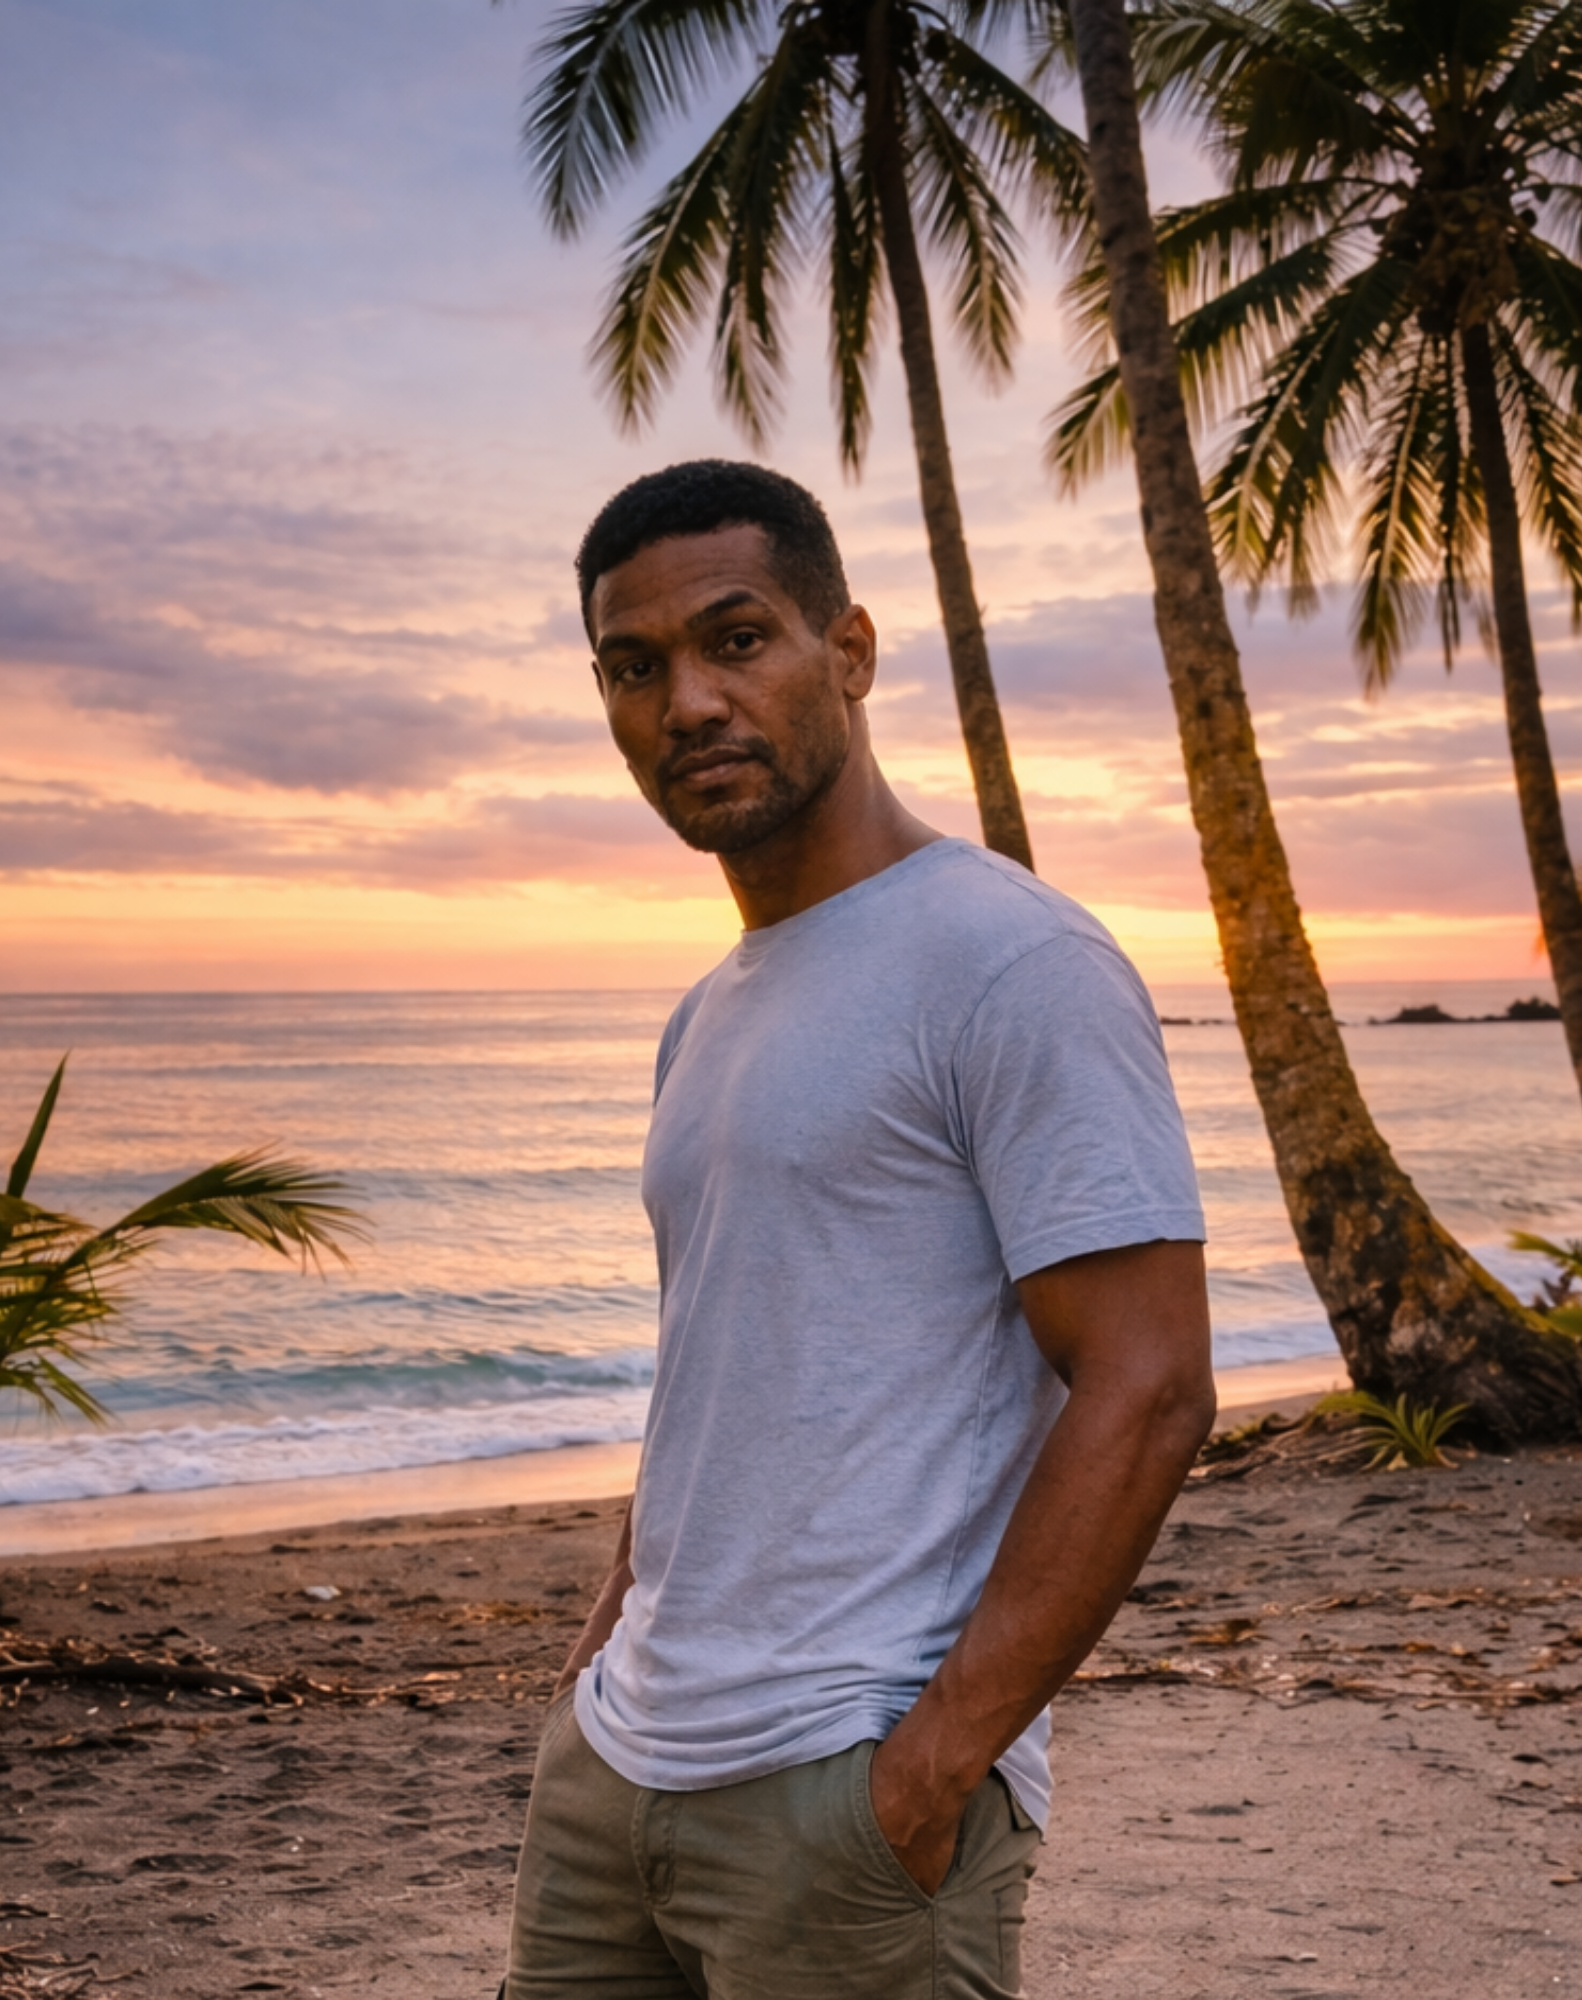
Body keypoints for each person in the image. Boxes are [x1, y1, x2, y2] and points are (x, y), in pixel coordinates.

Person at [503, 460, 1214, 2000]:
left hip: (845, 1787)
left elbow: (1149, 1383)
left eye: (736, 639)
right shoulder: (707, 1014)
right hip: (621, 1768)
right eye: (636, 669)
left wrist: (935, 1761)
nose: (686, 701)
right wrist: (606, 1640)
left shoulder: (1011, 961)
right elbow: (729, 1354)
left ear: (852, 650)